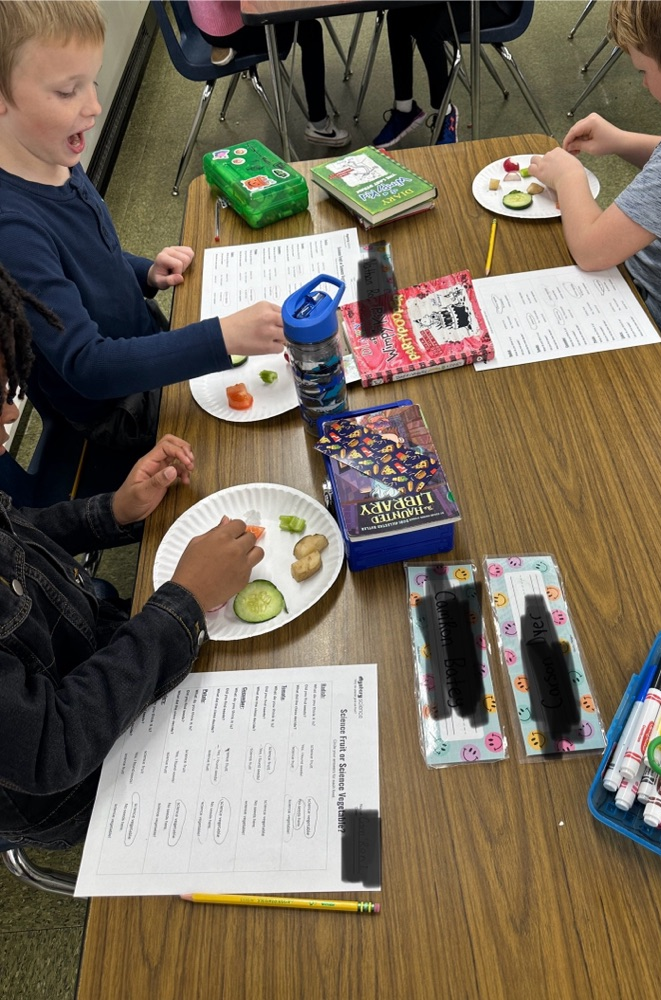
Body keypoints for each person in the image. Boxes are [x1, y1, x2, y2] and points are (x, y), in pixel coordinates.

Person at [0, 263, 266, 848]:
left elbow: (20, 529)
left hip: (101, 648)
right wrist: (185, 600)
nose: (11, 414)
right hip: (76, 781)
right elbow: (55, 745)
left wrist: (114, 510)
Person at [0, 0, 284, 455]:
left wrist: (144, 272)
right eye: (68, 91)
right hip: (118, 414)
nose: (93, 106)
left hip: (145, 344)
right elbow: (87, 364)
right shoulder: (11, 231)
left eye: (91, 82)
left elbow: (90, 257)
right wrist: (221, 337)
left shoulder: (52, 154)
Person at [527, 0, 661, 351]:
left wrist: (570, 175)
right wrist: (621, 141)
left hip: (650, 313)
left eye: (642, 71)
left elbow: (592, 251)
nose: (644, 85)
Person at [188, 0, 349, 147]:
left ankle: (233, 45)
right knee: (310, 30)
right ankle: (319, 125)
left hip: (206, 20)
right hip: (232, 27)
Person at [372, 1, 523, 148]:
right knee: (398, 17)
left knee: (429, 30)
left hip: (496, 6)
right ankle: (405, 109)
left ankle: (445, 112)